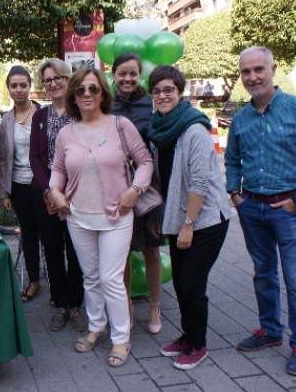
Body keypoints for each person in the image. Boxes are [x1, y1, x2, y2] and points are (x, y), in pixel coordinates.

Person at [225, 46, 296, 376]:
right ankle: (269, 331)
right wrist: (235, 194)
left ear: (273, 69)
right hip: (252, 207)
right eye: (245, 71)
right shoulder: (240, 118)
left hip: (289, 209)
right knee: (263, 274)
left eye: (258, 69)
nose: (252, 76)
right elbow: (231, 159)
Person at [49, 68, 154, 366]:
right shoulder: (67, 132)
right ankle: (97, 327)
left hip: (116, 215)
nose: (86, 95)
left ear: (103, 93)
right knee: (91, 277)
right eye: (80, 90)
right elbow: (58, 168)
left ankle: (121, 338)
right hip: (78, 215)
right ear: (72, 96)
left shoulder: (121, 125)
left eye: (93, 89)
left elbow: (144, 160)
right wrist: (54, 190)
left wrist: (135, 189)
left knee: (110, 278)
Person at [147, 66, 231, 370]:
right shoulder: (158, 131)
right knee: (181, 283)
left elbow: (198, 183)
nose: (162, 95)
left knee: (191, 286)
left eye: (168, 89)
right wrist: (162, 215)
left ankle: (199, 344)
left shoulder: (194, 129)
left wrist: (187, 225)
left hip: (206, 221)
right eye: (157, 91)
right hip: (178, 219)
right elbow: (161, 179)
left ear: (180, 92)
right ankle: (188, 335)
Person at [29, 59, 85, 332]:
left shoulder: (81, 113)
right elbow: (35, 157)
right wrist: (48, 191)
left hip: (77, 193)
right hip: (47, 195)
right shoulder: (40, 116)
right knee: (52, 249)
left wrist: (69, 191)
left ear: (68, 78)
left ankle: (76, 304)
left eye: (58, 78)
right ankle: (60, 304)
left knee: (76, 250)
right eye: (48, 80)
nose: (53, 84)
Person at [111, 53, 163, 334]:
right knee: (124, 253)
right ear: (113, 75)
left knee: (151, 248)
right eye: (122, 73)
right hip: (117, 187)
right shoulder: (107, 105)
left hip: (147, 186)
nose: (128, 78)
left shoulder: (151, 103)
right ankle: (127, 306)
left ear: (139, 75)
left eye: (133, 73)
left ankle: (155, 306)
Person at [0, 66, 44, 303]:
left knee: (51, 235)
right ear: (8, 89)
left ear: (29, 86)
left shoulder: (43, 114)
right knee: (28, 234)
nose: (19, 90)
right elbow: (4, 158)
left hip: (43, 184)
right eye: (14, 86)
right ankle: (34, 281)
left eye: (23, 85)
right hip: (19, 186)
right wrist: (5, 192)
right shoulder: (6, 120)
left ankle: (57, 285)